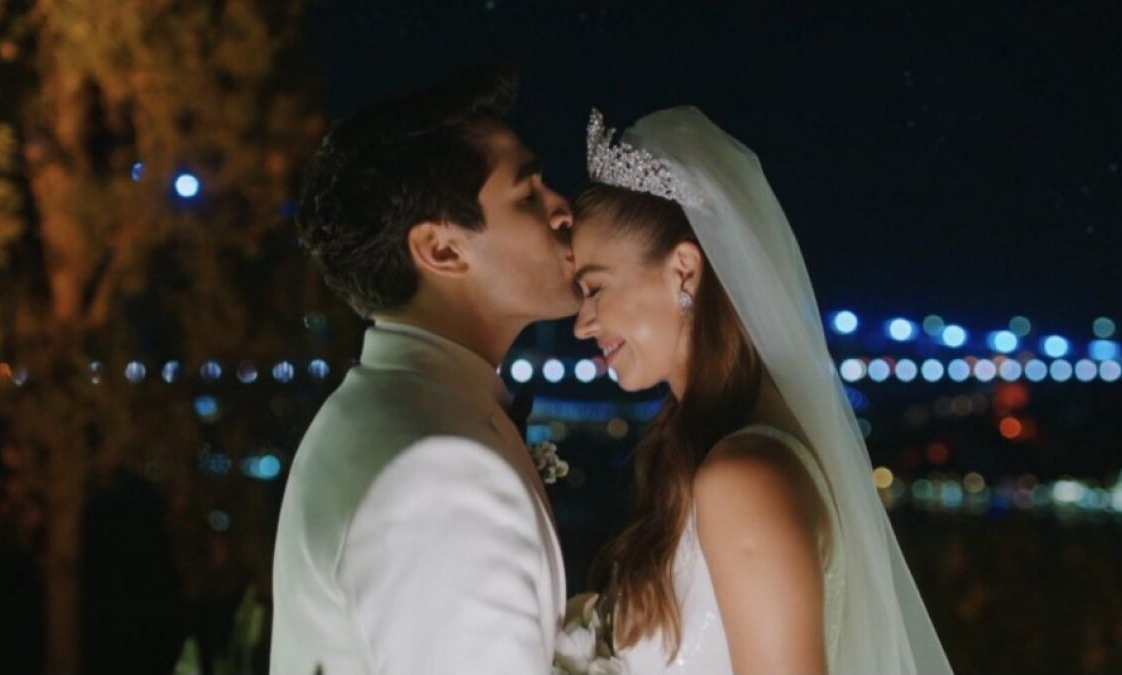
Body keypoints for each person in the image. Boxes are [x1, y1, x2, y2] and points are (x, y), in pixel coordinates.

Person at [569, 107, 953, 674]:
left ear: (683, 271)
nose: (582, 324)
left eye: (594, 288)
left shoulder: (743, 479)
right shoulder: (731, 456)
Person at [270, 66, 579, 674]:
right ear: (441, 249)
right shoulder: (438, 471)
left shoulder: (396, 412)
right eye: (528, 194)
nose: (563, 209)